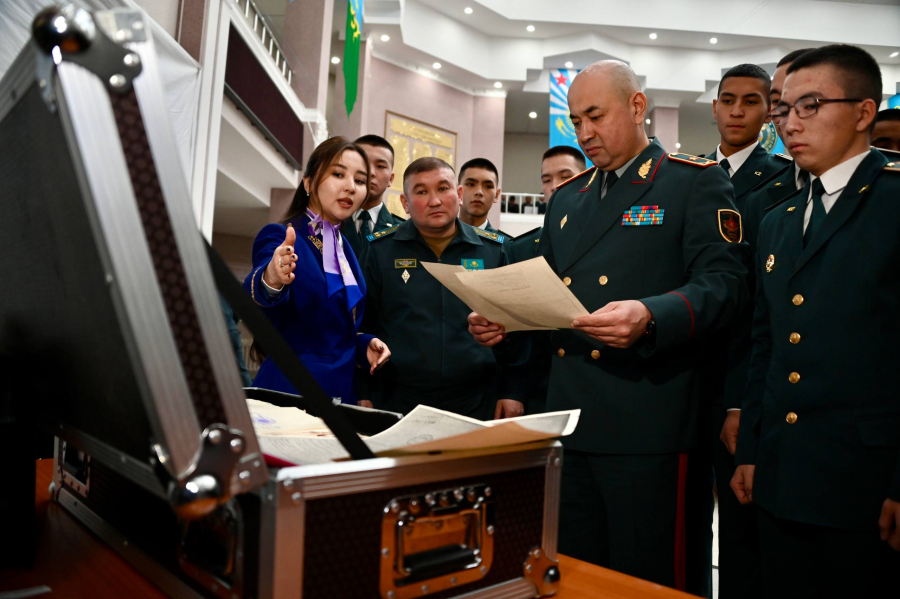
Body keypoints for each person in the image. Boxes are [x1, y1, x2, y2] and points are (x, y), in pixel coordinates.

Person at [468, 60, 749, 590]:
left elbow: (725, 285)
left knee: (650, 577)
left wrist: (651, 315)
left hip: (649, 420)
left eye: (595, 116)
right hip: (570, 420)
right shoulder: (570, 198)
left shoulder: (693, 180)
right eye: (576, 121)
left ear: (637, 106)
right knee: (576, 573)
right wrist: (505, 319)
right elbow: (548, 291)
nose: (584, 133)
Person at [731, 44, 900, 599]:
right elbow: (768, 344)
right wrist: (753, 450)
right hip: (783, 473)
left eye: (811, 105)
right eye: (785, 110)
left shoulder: (892, 202)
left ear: (863, 112)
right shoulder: (778, 219)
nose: (790, 123)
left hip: (866, 482)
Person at [686, 62, 789, 599]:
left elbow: (764, 307)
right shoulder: (689, 173)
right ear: (714, 106)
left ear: (769, 109)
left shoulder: (783, 180)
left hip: (740, 376)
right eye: (728, 100)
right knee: (681, 521)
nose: (737, 111)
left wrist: (740, 400)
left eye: (752, 101)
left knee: (742, 527)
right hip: (682, 372)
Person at [362, 157, 522, 420]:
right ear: (405, 203)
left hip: (478, 400)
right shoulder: (380, 250)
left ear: (459, 194)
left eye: (443, 188)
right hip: (396, 398)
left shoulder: (495, 250)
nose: (434, 200)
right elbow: (363, 325)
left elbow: (516, 333)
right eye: (421, 192)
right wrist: (362, 391)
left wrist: (513, 390)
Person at [244, 136, 391, 406]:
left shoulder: (344, 248)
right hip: (290, 391)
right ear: (309, 182)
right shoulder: (282, 235)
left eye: (359, 181)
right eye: (338, 174)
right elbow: (257, 290)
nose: (350, 187)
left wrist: (362, 346)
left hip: (340, 396)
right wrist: (272, 278)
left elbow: (332, 330)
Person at [510, 145, 586, 263]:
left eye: (565, 177)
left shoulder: (604, 238)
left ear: (586, 180)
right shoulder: (521, 248)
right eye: (547, 180)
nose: (555, 186)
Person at [342, 134, 405, 258]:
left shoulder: (404, 231)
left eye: (380, 166)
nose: (370, 172)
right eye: (363, 163)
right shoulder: (330, 223)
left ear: (391, 179)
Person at [457, 157, 508, 238]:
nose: (479, 192)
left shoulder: (507, 247)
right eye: (470, 184)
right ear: (458, 191)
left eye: (488, 186)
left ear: (497, 195)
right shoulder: (436, 238)